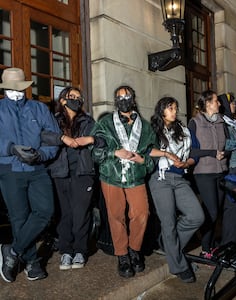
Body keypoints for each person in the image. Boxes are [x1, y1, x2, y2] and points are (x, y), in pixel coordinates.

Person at [0, 67, 60, 282]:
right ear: (5, 89)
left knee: (45, 211)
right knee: (19, 218)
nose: (16, 93)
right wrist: (10, 149)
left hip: (37, 170)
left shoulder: (38, 108)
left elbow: (54, 136)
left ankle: (13, 251)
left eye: (19, 89)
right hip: (10, 171)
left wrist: (41, 154)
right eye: (11, 89)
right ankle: (32, 263)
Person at [90, 85, 157, 278]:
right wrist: (114, 152)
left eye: (127, 96)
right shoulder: (104, 123)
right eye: (119, 97)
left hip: (136, 175)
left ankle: (134, 249)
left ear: (133, 99)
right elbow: (94, 151)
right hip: (111, 175)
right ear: (115, 101)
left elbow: (153, 153)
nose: (124, 100)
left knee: (142, 213)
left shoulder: (145, 126)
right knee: (115, 215)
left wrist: (144, 161)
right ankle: (122, 255)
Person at [41, 87, 105, 270]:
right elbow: (44, 136)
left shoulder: (88, 120)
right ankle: (66, 252)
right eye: (72, 97)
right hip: (60, 172)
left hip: (83, 173)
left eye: (79, 97)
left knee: (81, 213)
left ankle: (80, 251)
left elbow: (103, 140)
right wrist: (62, 138)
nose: (76, 100)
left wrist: (91, 139)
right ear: (62, 100)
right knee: (64, 214)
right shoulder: (53, 120)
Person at [148, 97, 205, 283]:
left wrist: (186, 162)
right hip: (160, 177)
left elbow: (194, 153)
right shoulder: (152, 129)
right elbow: (145, 150)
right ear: (161, 110)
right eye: (170, 108)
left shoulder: (185, 131)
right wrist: (167, 154)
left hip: (180, 177)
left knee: (197, 216)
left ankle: (168, 244)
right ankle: (179, 266)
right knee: (169, 222)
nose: (174, 111)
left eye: (175, 108)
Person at [188, 90, 228, 258]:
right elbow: (191, 150)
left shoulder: (221, 122)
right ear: (208, 103)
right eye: (216, 101)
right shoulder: (195, 122)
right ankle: (205, 248)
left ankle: (210, 244)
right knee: (210, 211)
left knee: (216, 211)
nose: (219, 104)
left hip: (221, 171)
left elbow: (228, 143)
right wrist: (212, 153)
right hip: (203, 172)